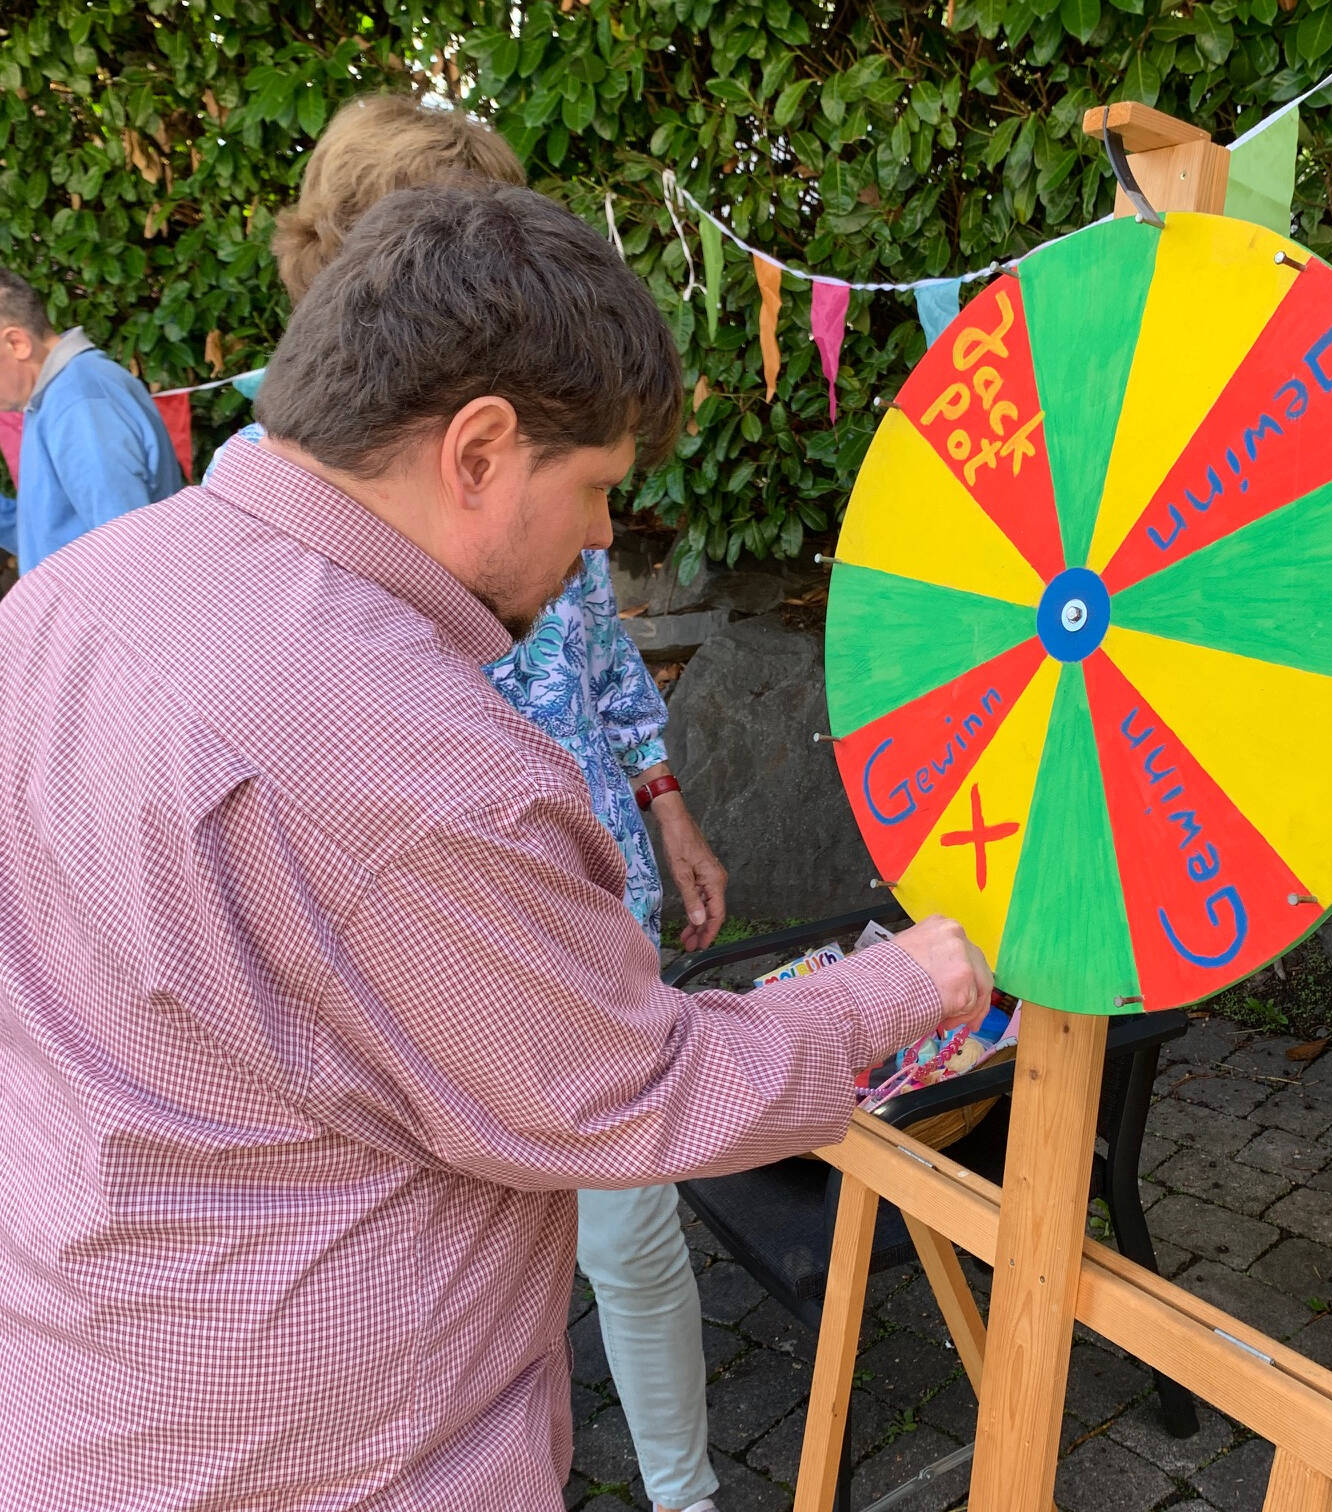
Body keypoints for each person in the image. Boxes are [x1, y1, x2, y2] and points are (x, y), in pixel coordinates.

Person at [0, 181, 995, 1512]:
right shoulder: (417, 768)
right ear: (475, 453)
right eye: (591, 490)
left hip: (84, 1399)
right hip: (337, 1464)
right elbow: (626, 1087)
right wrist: (900, 989)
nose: (600, 537)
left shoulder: (67, 598)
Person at [208, 91, 731, 1512]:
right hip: (415, 976)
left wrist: (662, 791)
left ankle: (683, 1491)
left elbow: (592, 634)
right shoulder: (260, 490)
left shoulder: (528, 450)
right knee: (448, 1274)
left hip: (587, 905)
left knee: (633, 1233)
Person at [0, 268, 182, 573]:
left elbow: (129, 557)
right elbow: (50, 537)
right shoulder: (53, 397)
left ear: (17, 343)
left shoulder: (79, 405)